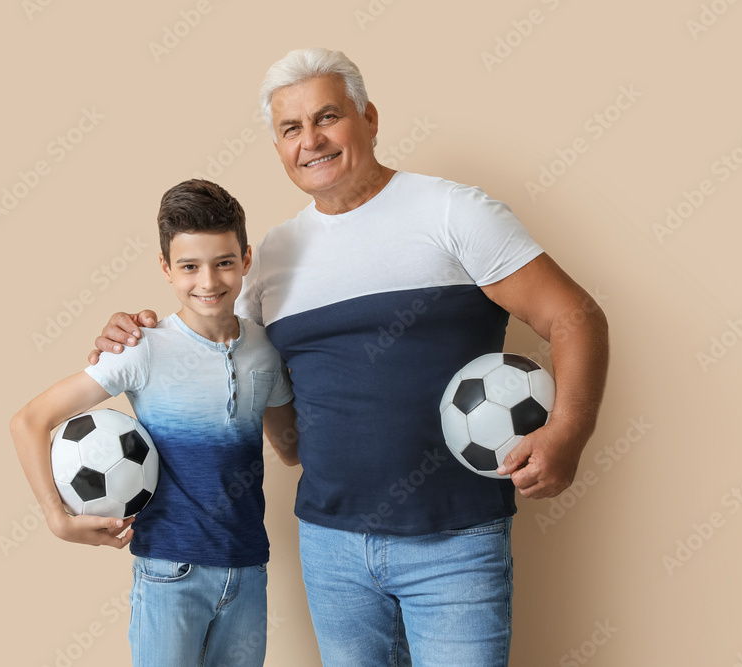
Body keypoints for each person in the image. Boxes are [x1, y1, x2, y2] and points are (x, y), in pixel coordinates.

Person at [89, 48, 609, 666]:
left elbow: (574, 316)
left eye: (327, 117)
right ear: (279, 146)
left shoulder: (453, 212)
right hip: (330, 548)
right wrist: (135, 330)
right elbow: (218, 351)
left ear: (369, 118)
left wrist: (568, 433)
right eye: (290, 128)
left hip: (456, 544)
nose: (311, 141)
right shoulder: (271, 258)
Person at [11, 179, 298, 667]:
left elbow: (291, 447)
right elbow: (30, 421)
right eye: (189, 266)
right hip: (171, 570)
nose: (208, 281)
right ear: (166, 268)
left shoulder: (265, 350)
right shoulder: (141, 347)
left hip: (249, 568)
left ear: (246, 260)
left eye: (223, 262)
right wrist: (57, 518)